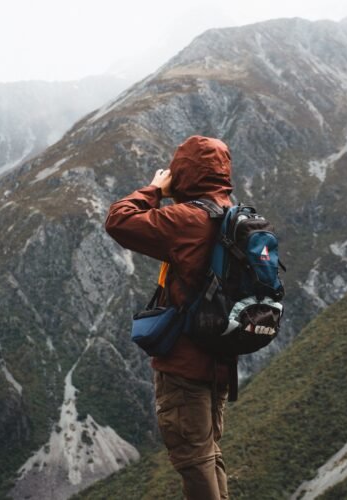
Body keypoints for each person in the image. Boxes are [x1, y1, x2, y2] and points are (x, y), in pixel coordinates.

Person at [105, 135, 235, 500]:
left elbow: (118, 220)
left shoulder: (188, 219)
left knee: (193, 459)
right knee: (208, 453)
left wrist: (154, 190)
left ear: (184, 174)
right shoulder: (234, 215)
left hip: (185, 365)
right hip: (222, 359)